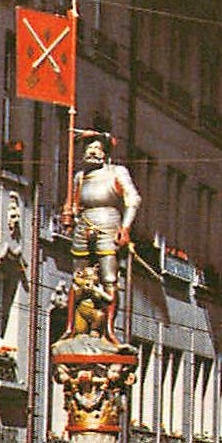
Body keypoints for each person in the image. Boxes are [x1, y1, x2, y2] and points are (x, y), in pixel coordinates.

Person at [66, 135, 141, 340]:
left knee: (109, 277)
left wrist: (125, 227)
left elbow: (133, 199)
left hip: (108, 221)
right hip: (85, 222)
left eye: (97, 148)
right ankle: (73, 327)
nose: (92, 151)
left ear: (105, 152)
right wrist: (70, 216)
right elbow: (73, 203)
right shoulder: (80, 176)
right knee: (78, 277)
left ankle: (108, 330)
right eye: (89, 148)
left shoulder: (116, 172)